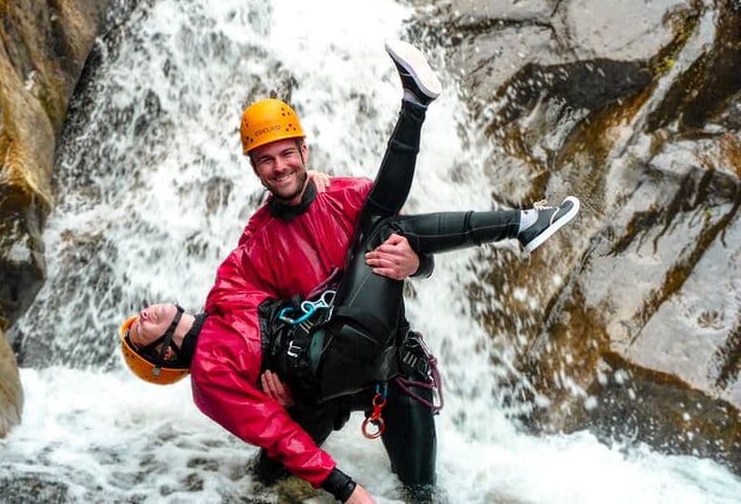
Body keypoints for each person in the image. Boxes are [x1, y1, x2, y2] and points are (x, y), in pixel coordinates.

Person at [120, 40, 579, 502]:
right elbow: (235, 321)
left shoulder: (346, 195)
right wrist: (260, 383)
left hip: (390, 368)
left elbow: (417, 250)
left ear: (304, 149)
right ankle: (510, 212)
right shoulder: (255, 245)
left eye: (287, 154)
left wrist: (416, 265)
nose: (280, 167)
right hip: (316, 384)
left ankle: (488, 187)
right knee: (263, 485)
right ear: (256, 169)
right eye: (266, 160)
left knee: (422, 492)